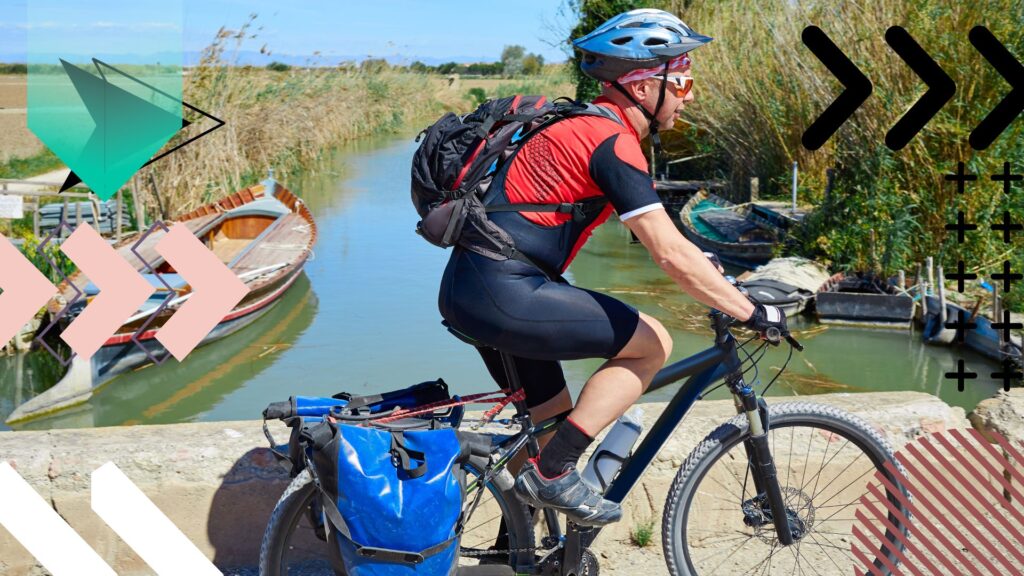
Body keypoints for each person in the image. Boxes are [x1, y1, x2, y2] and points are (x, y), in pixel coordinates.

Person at [437, 8, 788, 527]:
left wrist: (706, 267)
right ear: (644, 87)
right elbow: (667, 254)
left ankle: (513, 554)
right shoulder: (611, 140)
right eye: (684, 81)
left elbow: (659, 238)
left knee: (551, 428)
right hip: (506, 292)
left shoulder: (580, 124)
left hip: (476, 288)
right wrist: (749, 309)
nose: (689, 94)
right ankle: (555, 473)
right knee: (653, 343)